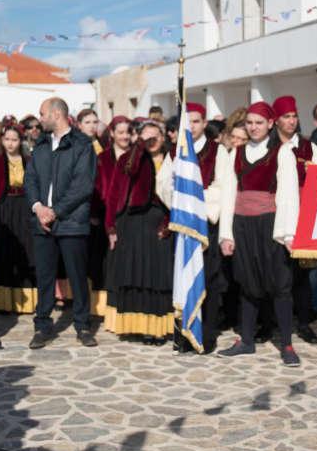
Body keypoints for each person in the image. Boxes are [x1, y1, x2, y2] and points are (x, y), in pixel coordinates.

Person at [216, 101, 301, 366]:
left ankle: (286, 343)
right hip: (242, 224)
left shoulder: (282, 152)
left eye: (259, 123)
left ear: (270, 124)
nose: (253, 127)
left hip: (270, 223)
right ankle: (247, 340)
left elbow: (289, 194)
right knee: (247, 283)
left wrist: (288, 233)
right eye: (250, 122)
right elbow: (229, 194)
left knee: (279, 285)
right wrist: (226, 234)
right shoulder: (236, 153)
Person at [26, 97, 98, 348]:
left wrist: (54, 211)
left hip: (72, 222)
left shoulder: (82, 144)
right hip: (42, 223)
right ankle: (42, 325)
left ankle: (82, 325)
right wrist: (38, 208)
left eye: (42, 113)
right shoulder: (41, 144)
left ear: (56, 114)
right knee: (44, 277)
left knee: (77, 276)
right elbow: (31, 179)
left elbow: (82, 186)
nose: (40, 118)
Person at [158, 103, 227, 353]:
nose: (193, 126)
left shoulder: (218, 151)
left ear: (204, 123)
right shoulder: (177, 152)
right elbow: (163, 184)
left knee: (207, 280)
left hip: (205, 224)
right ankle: (183, 334)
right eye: (189, 122)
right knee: (182, 277)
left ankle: (205, 335)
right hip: (184, 226)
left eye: (197, 121)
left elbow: (223, 187)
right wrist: (181, 203)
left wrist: (197, 201)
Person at [105, 121, 174, 344]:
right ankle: (133, 325)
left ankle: (155, 328)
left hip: (159, 224)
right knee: (133, 274)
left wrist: (168, 222)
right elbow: (114, 193)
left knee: (155, 276)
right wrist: (111, 226)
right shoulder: (129, 159)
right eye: (146, 137)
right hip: (131, 223)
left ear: (164, 138)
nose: (151, 142)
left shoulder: (173, 161)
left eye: (155, 137)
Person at [270, 95, 317, 345]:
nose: (291, 121)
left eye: (293, 116)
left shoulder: (309, 147)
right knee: (276, 273)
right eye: (286, 117)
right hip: (273, 215)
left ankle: (303, 322)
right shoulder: (269, 146)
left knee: (302, 275)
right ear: (276, 121)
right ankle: (272, 322)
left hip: (302, 215)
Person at [0, 124, 37, 314]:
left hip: (23, 207)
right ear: (2, 141)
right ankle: (3, 301)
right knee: (3, 251)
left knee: (25, 250)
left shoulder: (29, 160)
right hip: (3, 208)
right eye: (7, 140)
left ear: (20, 141)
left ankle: (28, 298)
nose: (11, 144)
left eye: (14, 140)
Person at [91, 116, 132, 327]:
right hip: (105, 215)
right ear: (113, 134)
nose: (124, 136)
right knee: (106, 263)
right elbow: (97, 187)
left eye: (127, 132)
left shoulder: (137, 156)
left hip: (130, 218)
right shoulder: (103, 158)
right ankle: (104, 308)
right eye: (120, 132)